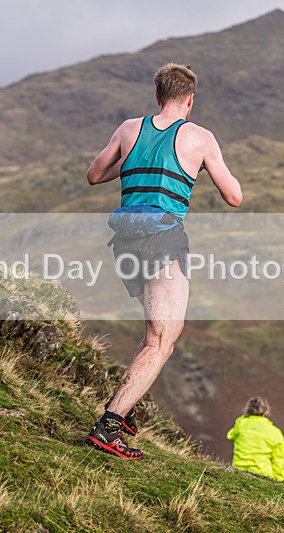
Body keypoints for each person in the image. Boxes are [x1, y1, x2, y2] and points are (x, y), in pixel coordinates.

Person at [84, 63, 243, 459]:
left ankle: (126, 405)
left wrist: (134, 161)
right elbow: (234, 196)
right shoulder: (199, 137)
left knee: (158, 333)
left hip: (125, 240)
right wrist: (201, 163)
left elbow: (94, 175)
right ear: (189, 100)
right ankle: (109, 426)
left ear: (157, 97)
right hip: (162, 240)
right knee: (161, 340)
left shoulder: (129, 129)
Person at [226, 397, 284, 481]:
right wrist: (278, 478)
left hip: (238, 470)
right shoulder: (275, 432)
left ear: (247, 410)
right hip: (263, 474)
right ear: (266, 411)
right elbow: (279, 459)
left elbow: (230, 435)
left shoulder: (241, 424)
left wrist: (243, 418)